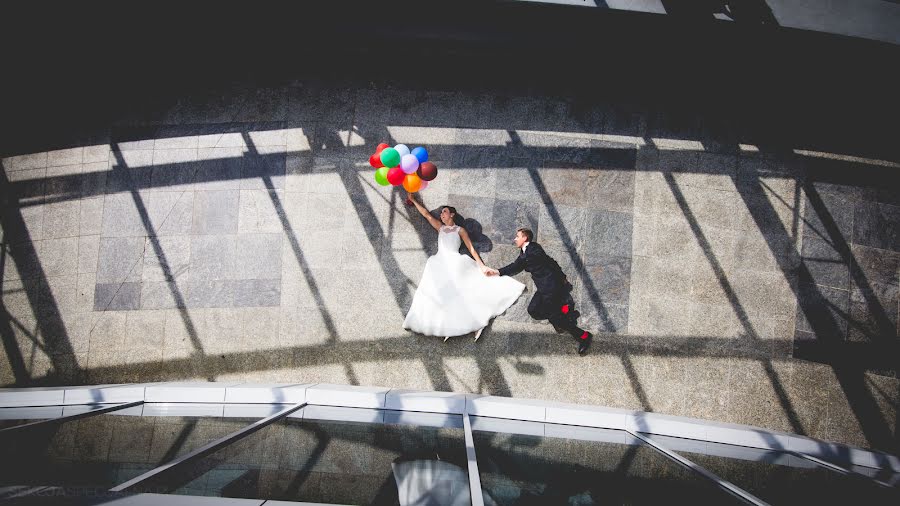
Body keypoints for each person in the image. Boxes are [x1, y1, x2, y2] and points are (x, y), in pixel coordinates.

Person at [403, 192, 525, 341]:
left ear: (452, 214)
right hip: (438, 262)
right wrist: (413, 200)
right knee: (437, 293)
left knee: (462, 291)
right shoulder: (440, 228)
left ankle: (475, 321)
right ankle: (449, 325)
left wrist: (482, 266)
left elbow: (471, 248)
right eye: (441, 213)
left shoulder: (459, 230)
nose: (442, 214)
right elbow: (427, 215)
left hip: (454, 261)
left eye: (445, 212)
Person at [486, 228, 593, 355]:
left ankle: (584, 336)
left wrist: (561, 276)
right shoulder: (524, 252)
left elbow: (544, 260)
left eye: (517, 236)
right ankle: (564, 311)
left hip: (550, 286)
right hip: (543, 288)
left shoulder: (534, 249)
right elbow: (516, 265)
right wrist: (497, 272)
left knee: (556, 319)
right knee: (533, 310)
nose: (515, 239)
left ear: (525, 238)